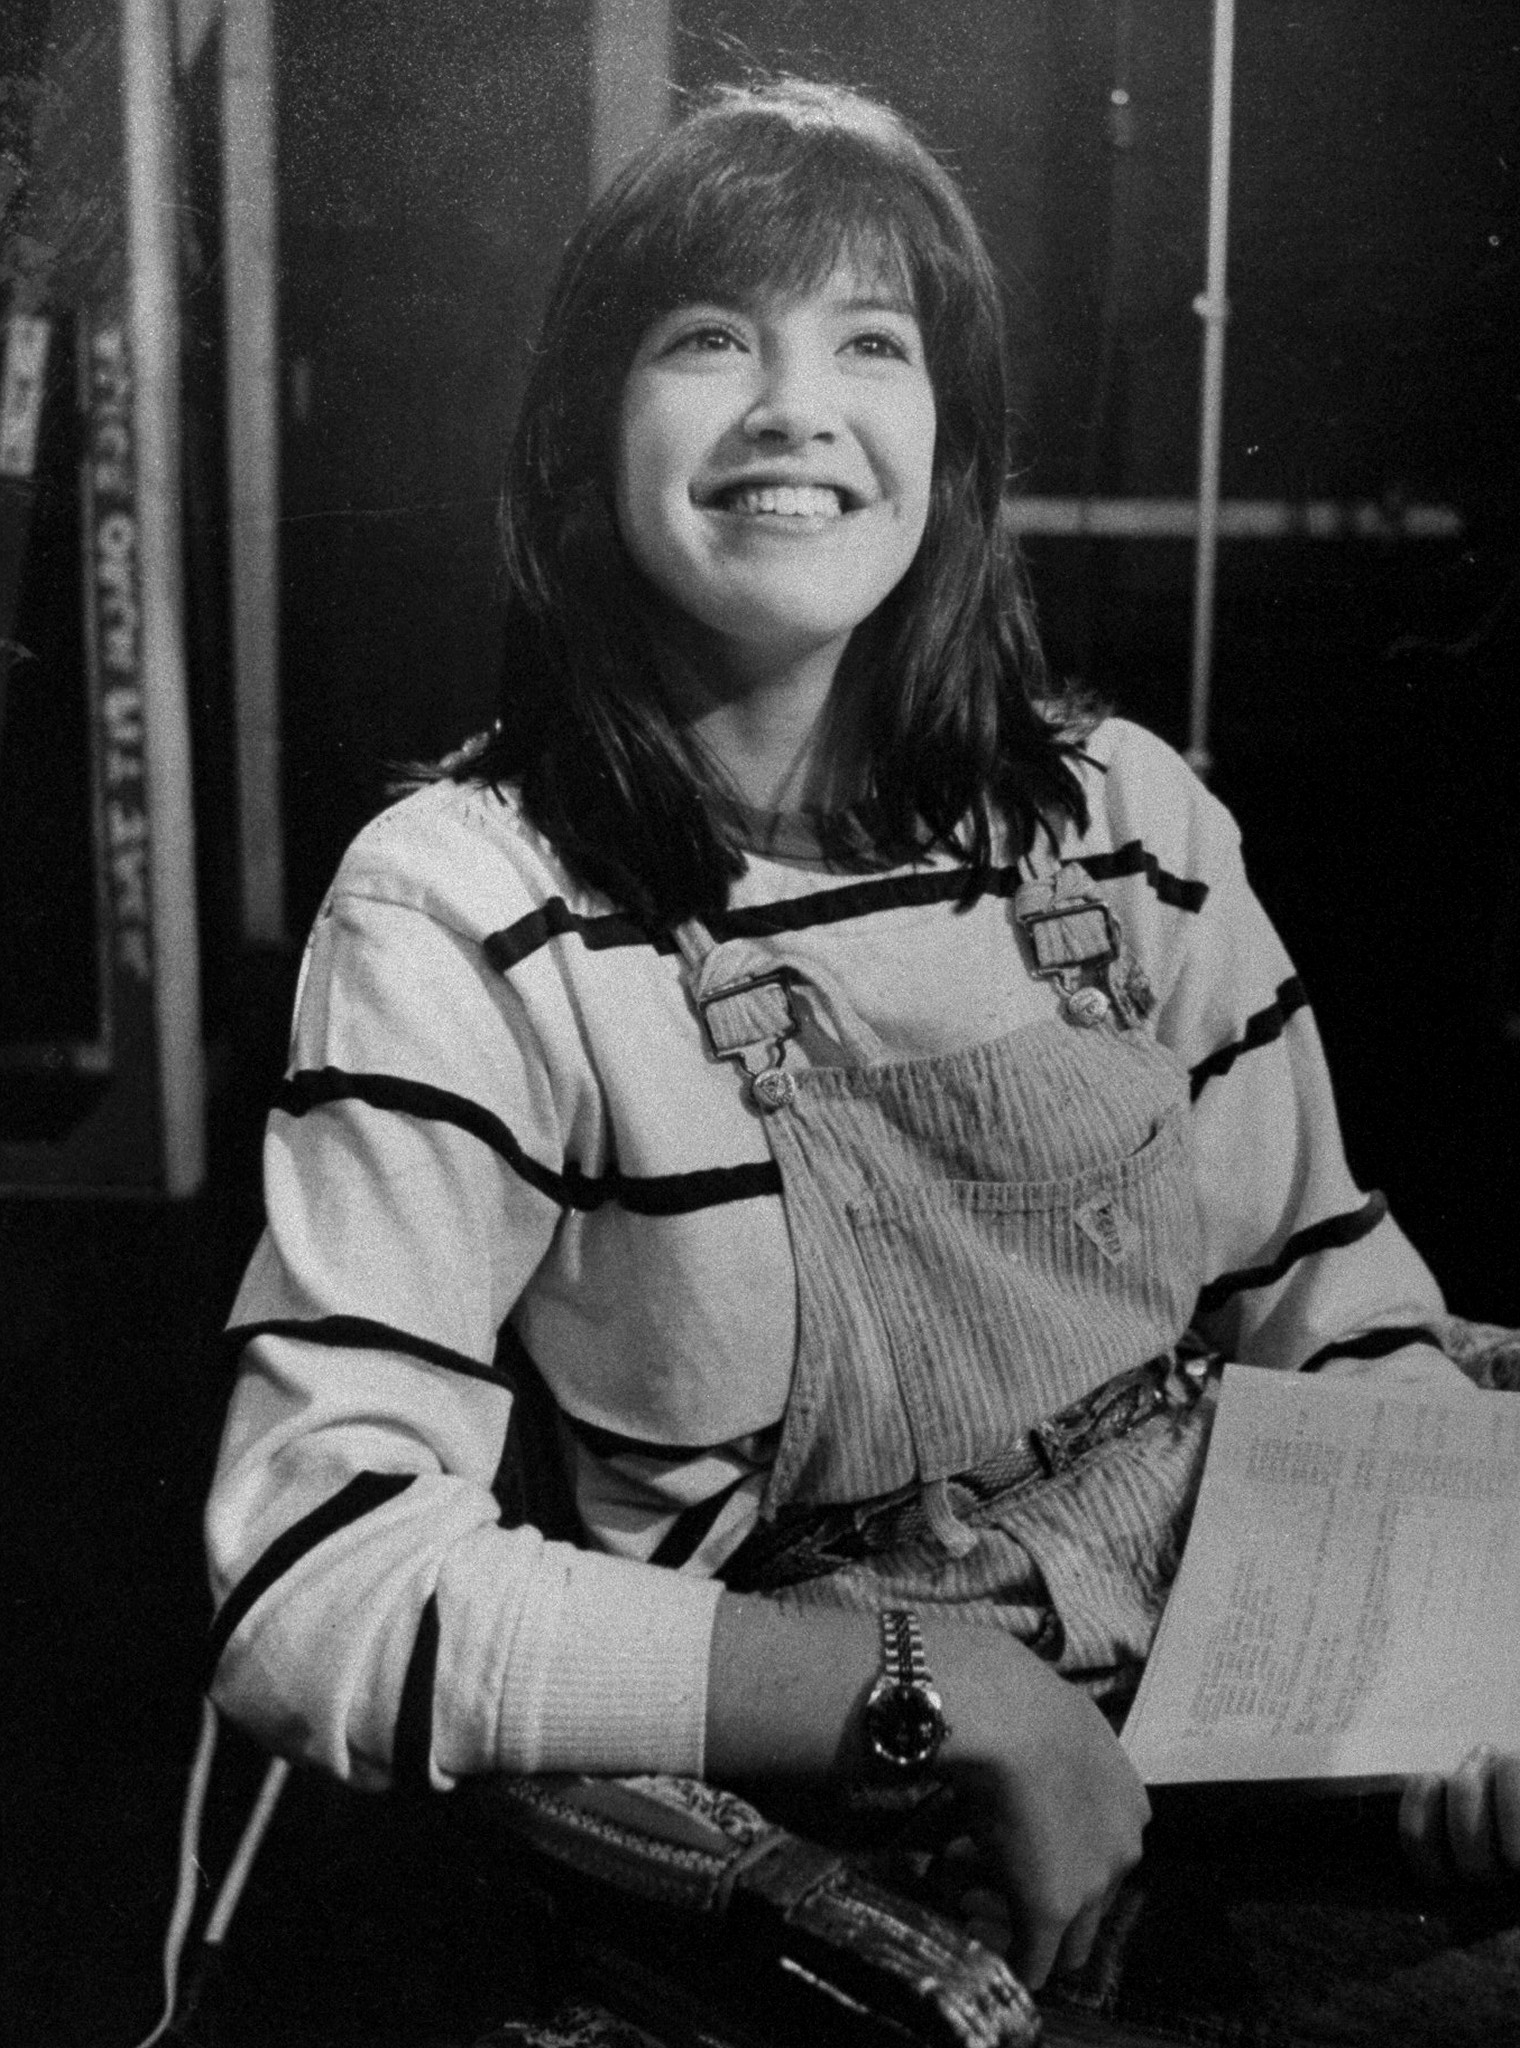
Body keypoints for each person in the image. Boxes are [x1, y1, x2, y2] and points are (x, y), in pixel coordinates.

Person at [205, 78, 1519, 1994]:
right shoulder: (464, 906)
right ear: (588, 435)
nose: (795, 408)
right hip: (875, 1873)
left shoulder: (1125, 828)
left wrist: (1461, 1683)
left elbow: (1344, 1322)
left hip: (1276, 1779)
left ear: (951, 440)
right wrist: (931, 1689)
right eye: (711, 339)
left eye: (872, 345)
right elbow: (313, 1585)